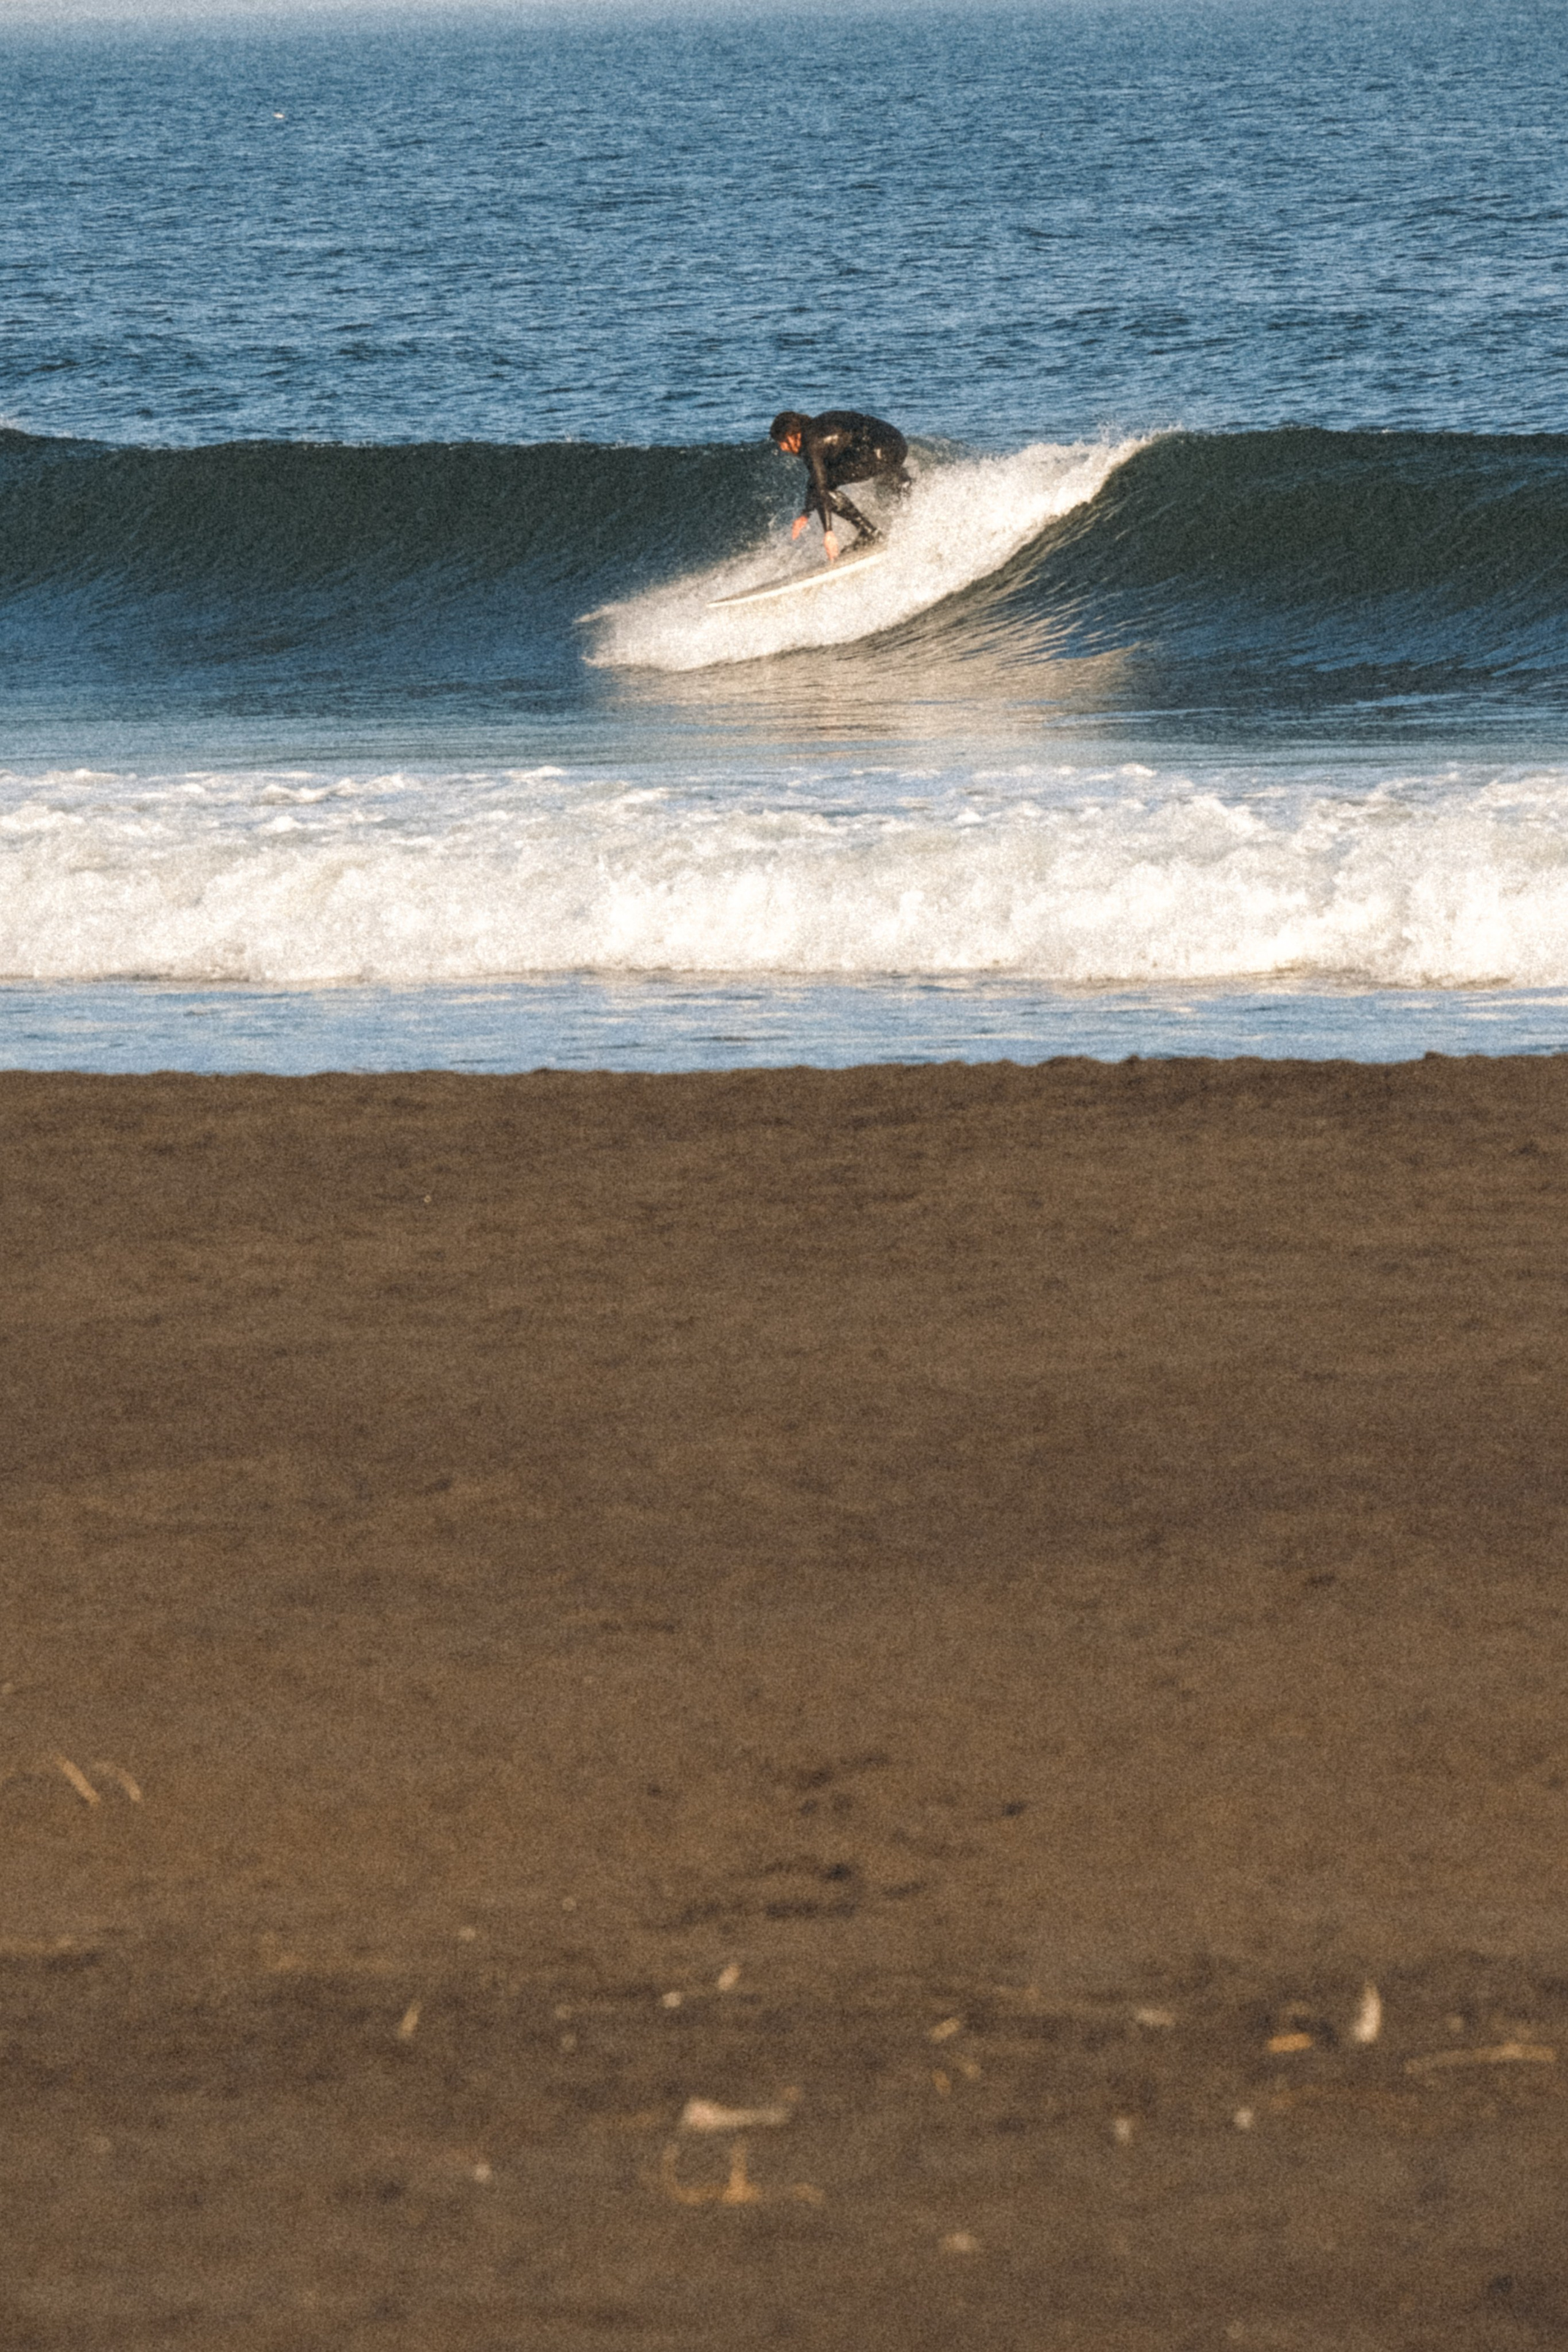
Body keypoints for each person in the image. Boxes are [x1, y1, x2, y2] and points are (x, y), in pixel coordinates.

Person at [769, 409, 912, 560]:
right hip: (898, 444)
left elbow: (820, 486)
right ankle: (910, 517)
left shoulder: (811, 443)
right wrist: (806, 513)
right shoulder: (822, 424)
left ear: (793, 435)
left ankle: (870, 533)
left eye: (782, 442)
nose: (783, 448)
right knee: (885, 470)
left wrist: (828, 533)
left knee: (821, 487)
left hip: (876, 454)